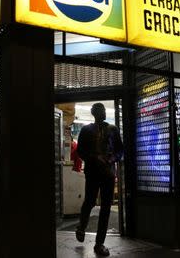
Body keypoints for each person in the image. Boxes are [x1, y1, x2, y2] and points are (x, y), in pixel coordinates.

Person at [75, 103, 123, 257]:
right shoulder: (86, 130)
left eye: (103, 110)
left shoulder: (113, 129)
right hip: (93, 172)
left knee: (106, 208)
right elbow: (80, 151)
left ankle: (99, 243)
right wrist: (94, 158)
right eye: (99, 110)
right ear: (93, 113)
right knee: (89, 201)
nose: (102, 112)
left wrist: (112, 159)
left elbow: (120, 150)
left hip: (108, 173)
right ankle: (81, 227)